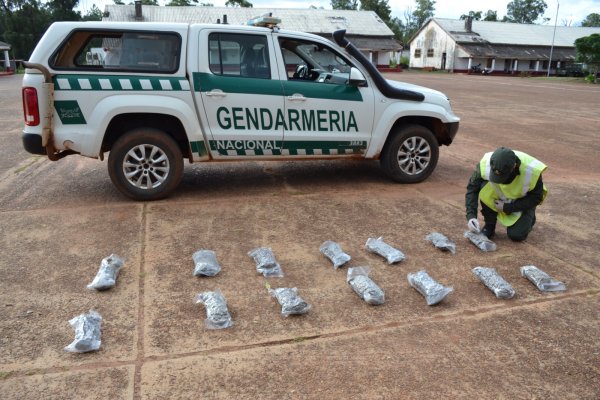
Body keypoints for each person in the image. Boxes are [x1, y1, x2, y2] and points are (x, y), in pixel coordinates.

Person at [465, 147, 547, 241]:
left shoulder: (532, 171)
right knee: (483, 186)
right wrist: (471, 217)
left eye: (502, 176)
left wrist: (508, 207)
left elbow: (536, 197)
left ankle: (529, 216)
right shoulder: (485, 163)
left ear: (514, 166)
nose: (498, 180)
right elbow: (472, 188)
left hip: (520, 199)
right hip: (499, 194)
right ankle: (490, 225)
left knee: (517, 235)